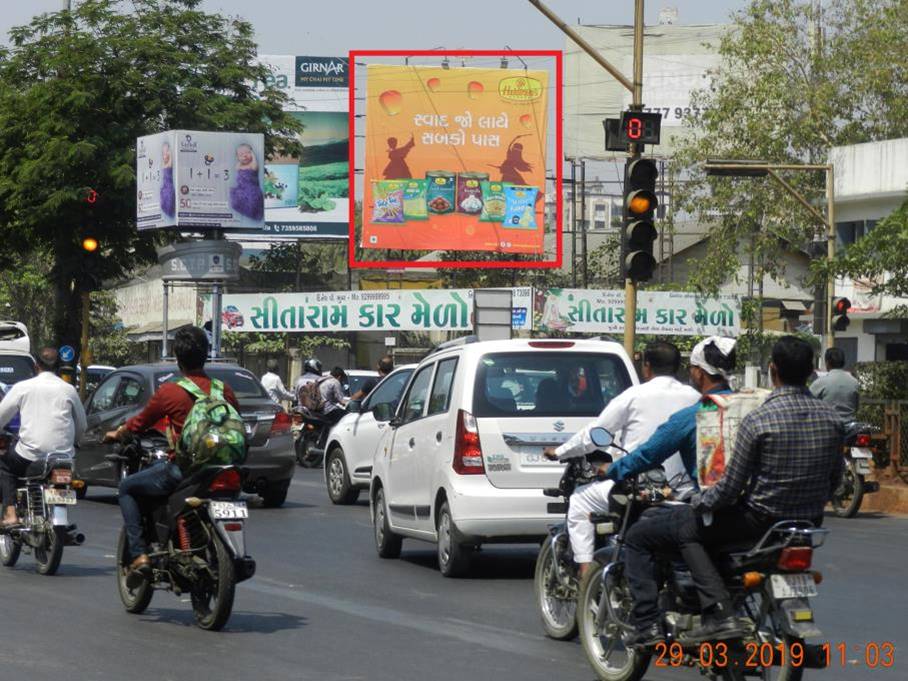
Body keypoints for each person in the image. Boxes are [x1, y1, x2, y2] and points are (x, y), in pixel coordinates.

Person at [618, 336, 844, 647]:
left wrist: (700, 503)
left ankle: (711, 614)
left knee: (672, 530)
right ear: (810, 372)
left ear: (773, 370)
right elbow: (835, 480)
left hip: (757, 522)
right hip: (805, 525)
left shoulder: (759, 419)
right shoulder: (832, 418)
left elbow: (731, 486)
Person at [544, 342, 700, 576]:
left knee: (579, 500)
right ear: (680, 367)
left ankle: (587, 574)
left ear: (646, 367)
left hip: (642, 488)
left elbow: (595, 435)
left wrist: (560, 452)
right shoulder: (696, 398)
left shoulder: (634, 396)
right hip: (684, 490)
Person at [103, 326, 239, 575]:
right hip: (223, 468)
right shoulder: (224, 389)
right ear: (206, 354)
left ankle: (139, 554)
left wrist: (118, 432)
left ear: (177, 357)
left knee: (127, 488)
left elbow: (140, 422)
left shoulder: (170, 391)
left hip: (184, 471)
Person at [0, 348, 87, 527]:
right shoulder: (69, 389)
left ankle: (10, 514)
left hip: (31, 457)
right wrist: (75, 442)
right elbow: (82, 425)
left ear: (35, 365)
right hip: (64, 459)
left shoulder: (23, 388)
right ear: (57, 367)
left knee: (5, 467)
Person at [810, 347, 859, 421]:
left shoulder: (820, 382)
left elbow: (808, 404)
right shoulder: (854, 382)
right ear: (843, 362)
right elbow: (856, 406)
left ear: (827, 362)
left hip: (827, 425)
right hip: (850, 426)